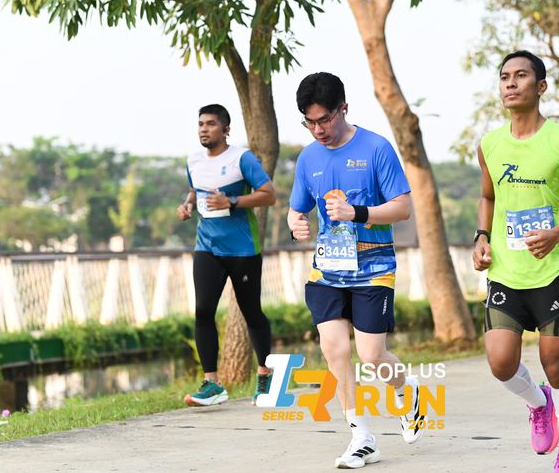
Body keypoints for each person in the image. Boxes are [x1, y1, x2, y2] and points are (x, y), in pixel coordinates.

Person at [472, 51, 559, 473]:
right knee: (500, 363)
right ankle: (538, 403)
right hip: (506, 272)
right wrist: (481, 236)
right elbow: (488, 197)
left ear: (541, 86)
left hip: (552, 270)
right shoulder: (490, 145)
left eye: (521, 76)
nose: (511, 84)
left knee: (556, 364)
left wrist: (557, 234)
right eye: (504, 77)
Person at [287, 72, 423, 469]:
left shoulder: (376, 148)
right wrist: (295, 223)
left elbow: (403, 208)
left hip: (373, 268)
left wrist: (357, 212)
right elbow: (297, 208)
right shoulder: (308, 158)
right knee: (335, 349)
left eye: (325, 119)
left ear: (343, 108)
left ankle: (407, 388)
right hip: (327, 270)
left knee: (372, 355)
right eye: (309, 122)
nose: (318, 130)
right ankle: (361, 436)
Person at [177, 104, 276, 407]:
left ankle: (265, 374)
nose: (204, 129)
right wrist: (188, 204)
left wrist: (232, 201)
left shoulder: (241, 159)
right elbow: (195, 190)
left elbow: (269, 195)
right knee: (203, 311)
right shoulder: (193, 161)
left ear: (226, 129)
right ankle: (212, 384)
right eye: (200, 124)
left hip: (243, 249)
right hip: (207, 246)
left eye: (210, 124)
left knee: (252, 312)